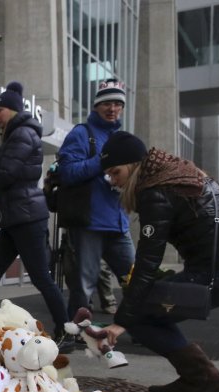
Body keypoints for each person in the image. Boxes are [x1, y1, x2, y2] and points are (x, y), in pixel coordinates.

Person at [100, 132, 219, 392]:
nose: (113, 181)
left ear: (133, 165)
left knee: (140, 317)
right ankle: (192, 378)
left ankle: (208, 379)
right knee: (155, 306)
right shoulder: (176, 174)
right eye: (108, 175)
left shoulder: (154, 190)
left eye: (116, 172)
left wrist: (122, 320)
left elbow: (147, 261)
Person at [0, 82, 70, 345]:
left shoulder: (22, 134)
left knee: (40, 276)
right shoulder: (16, 134)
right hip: (15, 217)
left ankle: (65, 328)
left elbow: (8, 174)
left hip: (26, 217)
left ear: (14, 110)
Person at [57, 78, 135, 320]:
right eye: (107, 103)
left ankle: (141, 327)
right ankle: (78, 331)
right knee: (83, 287)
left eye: (117, 104)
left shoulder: (123, 137)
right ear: (96, 106)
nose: (112, 109)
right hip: (89, 223)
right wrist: (102, 160)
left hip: (118, 222)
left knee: (136, 279)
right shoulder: (81, 133)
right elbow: (67, 173)